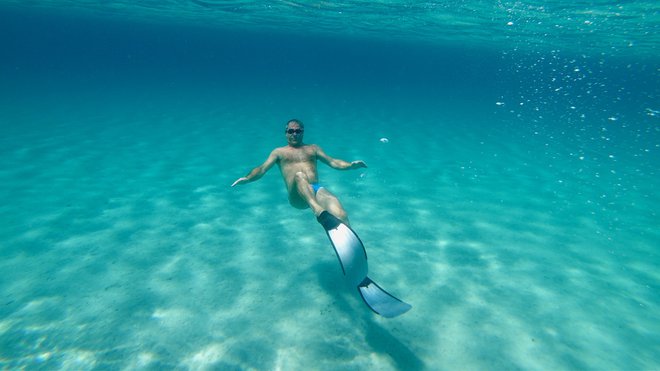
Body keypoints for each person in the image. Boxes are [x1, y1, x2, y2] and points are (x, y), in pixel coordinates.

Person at [231, 119, 367, 224]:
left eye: (298, 131)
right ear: (286, 133)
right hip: (297, 196)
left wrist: (350, 166)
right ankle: (318, 211)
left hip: (314, 189)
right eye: (291, 131)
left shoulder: (313, 148)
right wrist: (248, 178)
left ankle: (349, 241)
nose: (294, 134)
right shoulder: (279, 152)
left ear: (302, 132)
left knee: (340, 211)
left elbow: (333, 162)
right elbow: (262, 169)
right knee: (300, 176)